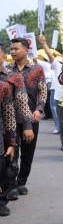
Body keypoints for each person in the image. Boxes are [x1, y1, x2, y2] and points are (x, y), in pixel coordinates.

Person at [8, 38, 47, 197]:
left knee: (27, 153)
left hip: (31, 118)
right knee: (12, 152)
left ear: (26, 50)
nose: (13, 52)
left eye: (16, 49)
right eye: (11, 49)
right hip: (11, 118)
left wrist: (39, 109)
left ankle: (21, 181)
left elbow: (42, 91)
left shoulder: (37, 69)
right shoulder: (7, 70)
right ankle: (11, 184)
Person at [0, 45, 34, 200]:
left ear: (3, 56)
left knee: (11, 157)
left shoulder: (13, 77)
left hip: (10, 124)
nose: (13, 51)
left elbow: (22, 103)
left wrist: (28, 125)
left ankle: (12, 186)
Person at [0, 79, 16, 216]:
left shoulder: (3, 87)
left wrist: (11, 143)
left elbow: (9, 115)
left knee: (2, 173)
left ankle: (1, 202)